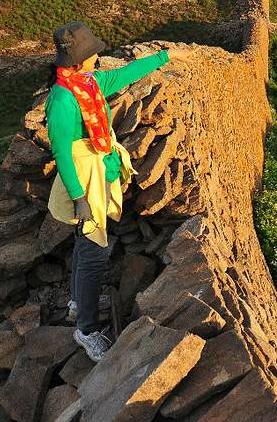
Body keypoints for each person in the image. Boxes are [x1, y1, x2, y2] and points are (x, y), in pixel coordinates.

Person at [44, 20, 197, 362]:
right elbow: (63, 153)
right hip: (84, 181)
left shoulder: (87, 83)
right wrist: (79, 198)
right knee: (94, 250)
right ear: (78, 59)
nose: (97, 57)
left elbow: (124, 75)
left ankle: (77, 301)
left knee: (86, 242)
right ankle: (86, 330)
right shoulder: (63, 99)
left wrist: (167, 57)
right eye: (92, 53)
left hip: (97, 172)